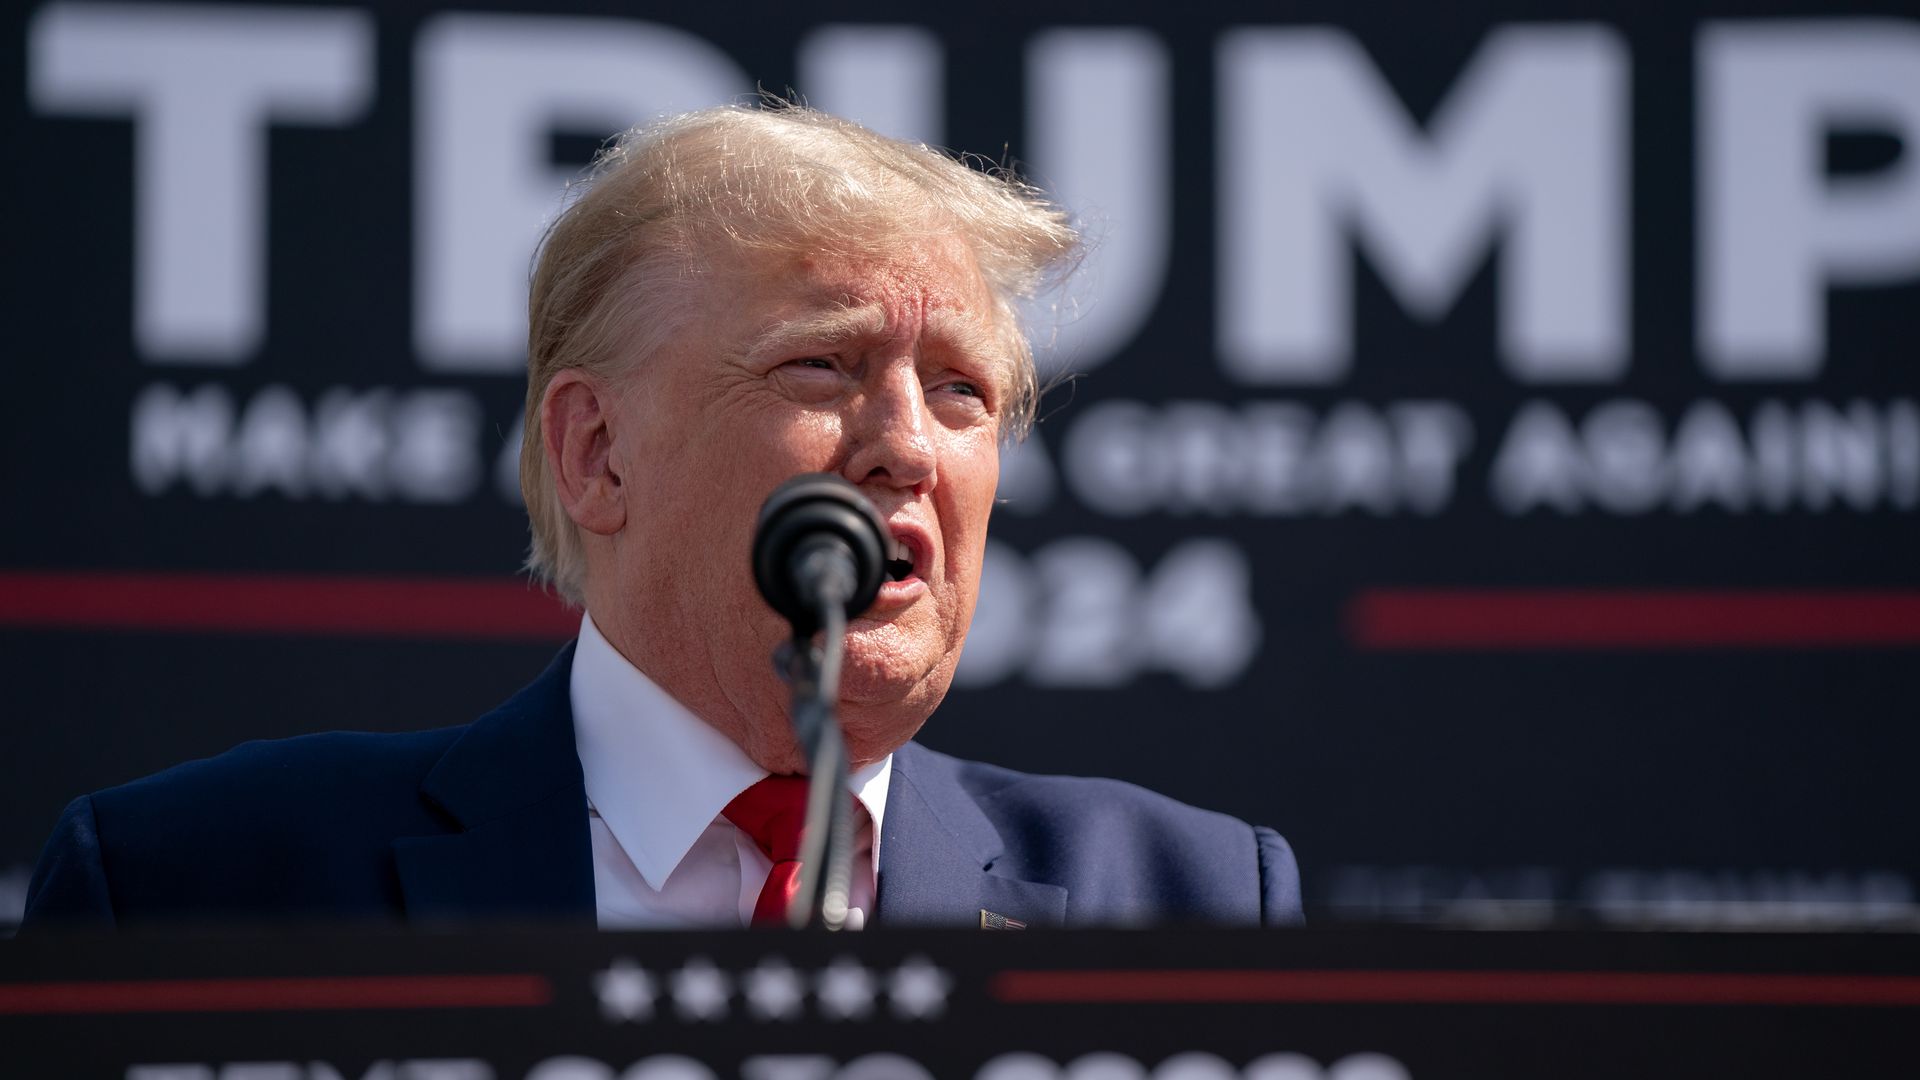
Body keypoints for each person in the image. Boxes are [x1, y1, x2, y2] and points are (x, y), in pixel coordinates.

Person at [24, 104, 1302, 930]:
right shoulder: (200, 892)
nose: (910, 446)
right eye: (823, 368)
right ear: (596, 452)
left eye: (962, 391)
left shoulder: (1189, 909)